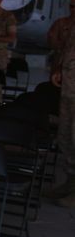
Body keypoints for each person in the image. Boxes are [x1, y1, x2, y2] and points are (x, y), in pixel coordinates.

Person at [47, 22, 75, 207]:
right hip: (69, 89)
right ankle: (71, 182)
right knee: (65, 136)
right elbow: (67, 48)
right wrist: (58, 67)